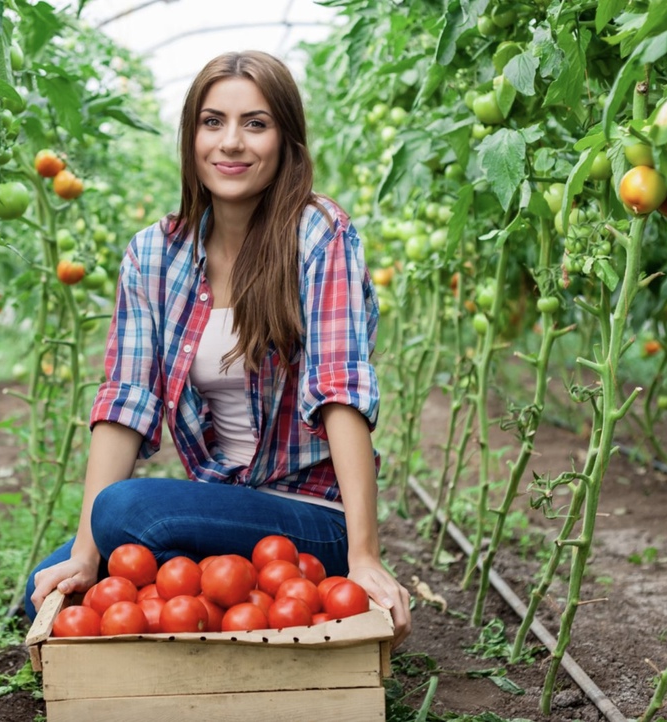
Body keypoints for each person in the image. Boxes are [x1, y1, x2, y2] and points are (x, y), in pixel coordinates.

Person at [26, 50, 411, 644]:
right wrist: (83, 554)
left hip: (310, 518)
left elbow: (341, 391)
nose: (231, 142)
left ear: (286, 140)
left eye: (256, 124)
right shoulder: (154, 254)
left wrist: (363, 556)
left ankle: (251, 579)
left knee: (128, 513)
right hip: (218, 505)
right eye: (213, 122)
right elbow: (125, 403)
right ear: (192, 136)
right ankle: (228, 590)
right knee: (48, 589)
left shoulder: (320, 234)